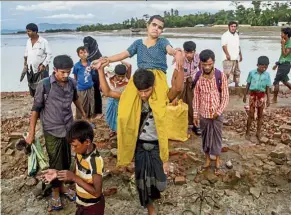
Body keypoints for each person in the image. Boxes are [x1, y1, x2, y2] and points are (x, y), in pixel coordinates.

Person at [92, 57, 184, 215]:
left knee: (160, 182)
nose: (143, 94)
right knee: (142, 181)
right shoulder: (130, 97)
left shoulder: (161, 97)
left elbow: (177, 88)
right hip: (140, 146)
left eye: (146, 91)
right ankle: (150, 209)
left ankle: (153, 198)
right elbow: (107, 92)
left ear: (153, 86)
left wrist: (179, 66)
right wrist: (100, 70)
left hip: (156, 146)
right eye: (140, 91)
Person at [92, 15, 184, 168]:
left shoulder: (163, 42)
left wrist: (178, 53)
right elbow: (123, 54)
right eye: (154, 25)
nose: (157, 28)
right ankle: (127, 153)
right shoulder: (138, 43)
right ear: (147, 25)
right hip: (140, 78)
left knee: (160, 113)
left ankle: (163, 157)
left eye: (160, 27)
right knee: (125, 110)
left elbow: (171, 51)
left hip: (157, 79)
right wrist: (106, 60)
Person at [25, 55, 88, 212]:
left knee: (66, 160)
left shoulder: (72, 83)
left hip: (68, 127)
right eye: (62, 72)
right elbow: (35, 110)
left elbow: (75, 99)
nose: (66, 75)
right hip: (51, 129)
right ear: (54, 70)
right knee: (54, 161)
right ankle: (55, 191)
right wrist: (31, 133)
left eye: (68, 72)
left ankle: (63, 188)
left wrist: (83, 114)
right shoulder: (45, 85)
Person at [39, 120, 105, 215]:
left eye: (75, 146)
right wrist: (57, 173)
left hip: (93, 207)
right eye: (71, 146)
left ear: (87, 142)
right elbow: (73, 175)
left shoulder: (95, 161)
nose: (73, 149)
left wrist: (74, 177)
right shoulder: (80, 153)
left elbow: (97, 192)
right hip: (81, 202)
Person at [193, 49, 229, 176]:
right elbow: (196, 97)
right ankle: (208, 159)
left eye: (209, 64)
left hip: (216, 115)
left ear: (213, 62)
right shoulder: (198, 77)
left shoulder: (220, 76)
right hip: (203, 115)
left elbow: (225, 97)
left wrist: (218, 111)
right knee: (205, 138)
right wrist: (196, 114)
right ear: (200, 64)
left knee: (217, 137)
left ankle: (217, 160)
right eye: (204, 65)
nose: (207, 67)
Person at [172, 41, 201, 135]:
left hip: (192, 81)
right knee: (180, 102)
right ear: (184, 51)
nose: (188, 55)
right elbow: (174, 77)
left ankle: (194, 125)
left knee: (194, 103)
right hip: (182, 82)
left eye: (191, 52)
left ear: (194, 51)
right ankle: (179, 125)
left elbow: (201, 69)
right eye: (187, 52)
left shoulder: (198, 57)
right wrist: (175, 91)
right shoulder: (180, 59)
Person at [243, 56, 271, 141]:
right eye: (262, 66)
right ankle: (247, 132)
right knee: (251, 114)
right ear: (257, 65)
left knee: (260, 115)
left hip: (261, 96)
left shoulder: (267, 75)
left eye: (266, 66)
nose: (264, 68)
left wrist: (269, 99)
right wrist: (245, 95)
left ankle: (258, 132)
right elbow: (248, 84)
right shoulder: (252, 73)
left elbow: (267, 88)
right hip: (252, 95)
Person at [24, 23, 52, 97]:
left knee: (44, 89)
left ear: (35, 31)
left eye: (29, 31)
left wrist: (43, 65)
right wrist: (25, 65)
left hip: (41, 70)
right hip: (31, 69)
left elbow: (49, 54)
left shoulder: (43, 41)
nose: (27, 33)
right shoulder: (28, 41)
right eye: (27, 31)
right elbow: (26, 54)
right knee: (32, 89)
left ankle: (45, 105)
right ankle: (36, 104)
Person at [104, 61, 131, 138]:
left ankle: (119, 131)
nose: (121, 78)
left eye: (123, 76)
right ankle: (112, 130)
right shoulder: (110, 77)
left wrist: (121, 61)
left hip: (121, 101)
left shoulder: (127, 79)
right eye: (119, 76)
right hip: (111, 100)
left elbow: (129, 65)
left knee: (119, 117)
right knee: (110, 116)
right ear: (115, 74)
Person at [73, 46, 95, 119]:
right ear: (78, 55)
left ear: (88, 53)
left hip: (90, 87)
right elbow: (75, 77)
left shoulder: (91, 64)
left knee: (91, 103)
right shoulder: (76, 66)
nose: (83, 54)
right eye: (81, 53)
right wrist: (76, 86)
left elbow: (92, 75)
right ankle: (80, 118)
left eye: (85, 52)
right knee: (81, 103)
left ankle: (90, 117)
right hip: (81, 88)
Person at [83, 36, 103, 118]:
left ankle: (98, 111)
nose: (86, 46)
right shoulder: (86, 54)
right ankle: (90, 111)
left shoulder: (97, 55)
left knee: (96, 93)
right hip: (88, 76)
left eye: (87, 45)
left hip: (96, 76)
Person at [272, 27, 291, 103]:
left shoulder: (289, 43)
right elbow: (282, 56)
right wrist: (276, 64)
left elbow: (285, 54)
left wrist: (283, 45)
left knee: (276, 81)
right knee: (285, 81)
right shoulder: (285, 42)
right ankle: (274, 99)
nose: (281, 34)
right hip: (282, 64)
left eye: (282, 33)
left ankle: (274, 99)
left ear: (286, 34)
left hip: (285, 65)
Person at [221, 21, 242, 87]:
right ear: (229, 27)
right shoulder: (225, 35)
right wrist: (227, 54)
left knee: (237, 72)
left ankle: (237, 86)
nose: (233, 28)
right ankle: (224, 87)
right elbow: (224, 45)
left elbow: (238, 46)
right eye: (232, 26)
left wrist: (240, 55)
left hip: (236, 58)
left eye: (234, 26)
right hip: (228, 58)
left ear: (236, 27)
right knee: (227, 74)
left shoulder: (236, 35)